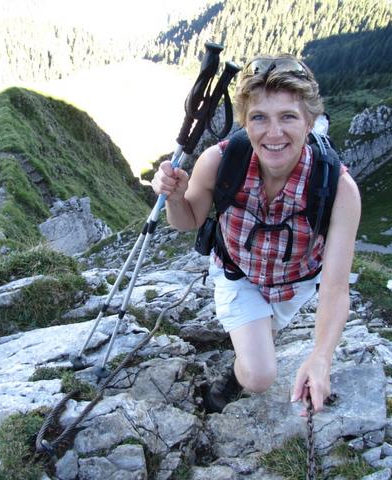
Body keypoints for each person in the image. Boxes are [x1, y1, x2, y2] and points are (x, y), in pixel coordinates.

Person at [151, 53, 361, 414]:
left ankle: (251, 345)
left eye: (288, 117)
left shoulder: (339, 189)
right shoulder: (219, 161)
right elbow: (188, 220)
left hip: (294, 285)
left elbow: (336, 287)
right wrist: (173, 197)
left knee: (265, 335)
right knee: (260, 376)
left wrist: (321, 357)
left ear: (310, 122)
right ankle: (229, 384)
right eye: (259, 117)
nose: (273, 133)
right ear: (245, 122)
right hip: (239, 274)